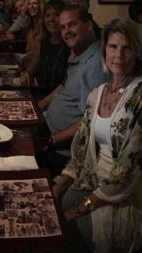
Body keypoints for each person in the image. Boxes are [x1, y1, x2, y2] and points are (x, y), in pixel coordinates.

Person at [52, 18, 142, 252]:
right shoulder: (98, 93)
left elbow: (129, 170)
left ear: (136, 52)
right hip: (91, 179)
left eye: (127, 48)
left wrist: (81, 207)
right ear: (104, 51)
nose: (118, 56)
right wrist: (60, 185)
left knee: (69, 229)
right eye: (113, 47)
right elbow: (81, 149)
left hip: (123, 194)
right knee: (52, 207)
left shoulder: (139, 96)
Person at [38, 5, 108, 175]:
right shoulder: (81, 54)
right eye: (63, 27)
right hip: (46, 126)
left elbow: (91, 119)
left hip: (60, 151)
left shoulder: (95, 66)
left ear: (89, 25)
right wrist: (37, 106)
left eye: (72, 24)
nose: (66, 31)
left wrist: (52, 139)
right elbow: (64, 86)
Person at [31, 0, 70, 98]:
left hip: (58, 100)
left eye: (56, 15)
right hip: (37, 94)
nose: (51, 19)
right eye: (48, 15)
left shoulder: (70, 45)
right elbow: (32, 67)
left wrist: (42, 103)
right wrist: (26, 73)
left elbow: (67, 84)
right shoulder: (42, 42)